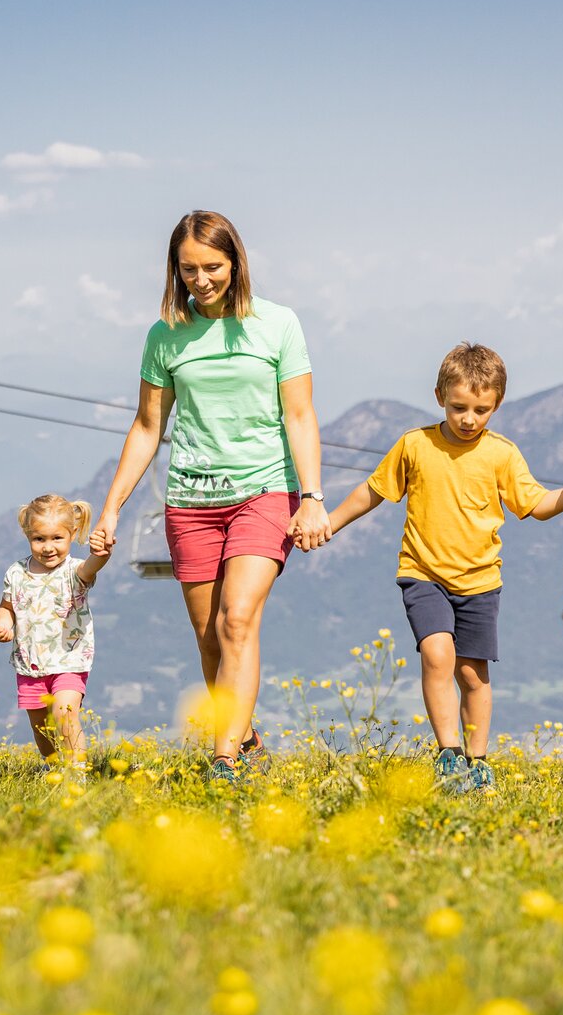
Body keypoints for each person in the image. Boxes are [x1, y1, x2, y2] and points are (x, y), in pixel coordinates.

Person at [90, 211, 330, 783]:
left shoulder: (277, 324)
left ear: (236, 262)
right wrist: (111, 507)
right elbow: (147, 426)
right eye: (188, 269)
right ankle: (246, 741)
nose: (201, 280)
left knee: (237, 619)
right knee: (210, 641)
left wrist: (312, 496)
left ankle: (224, 761)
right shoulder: (165, 335)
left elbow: (299, 415)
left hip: (264, 491)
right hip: (191, 501)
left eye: (213, 267)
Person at [328, 343, 563, 793]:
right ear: (439, 397)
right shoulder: (415, 445)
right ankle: (448, 754)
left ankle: (478, 760)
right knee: (436, 654)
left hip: (480, 581)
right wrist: (330, 523)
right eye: (459, 408)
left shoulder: (502, 454)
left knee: (472, 674)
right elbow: (372, 491)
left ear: (497, 405)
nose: (469, 419)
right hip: (423, 573)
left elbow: (538, 505)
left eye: (481, 410)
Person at [0, 494, 112, 769]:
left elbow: (92, 567)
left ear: (72, 534)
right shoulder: (16, 573)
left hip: (69, 660)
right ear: (28, 536)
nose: (48, 547)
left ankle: (77, 772)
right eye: (39, 539)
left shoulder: (74, 571)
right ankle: (54, 767)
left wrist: (102, 553)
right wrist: (3, 623)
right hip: (30, 663)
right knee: (41, 729)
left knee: (64, 714)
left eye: (57, 538)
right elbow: (6, 606)